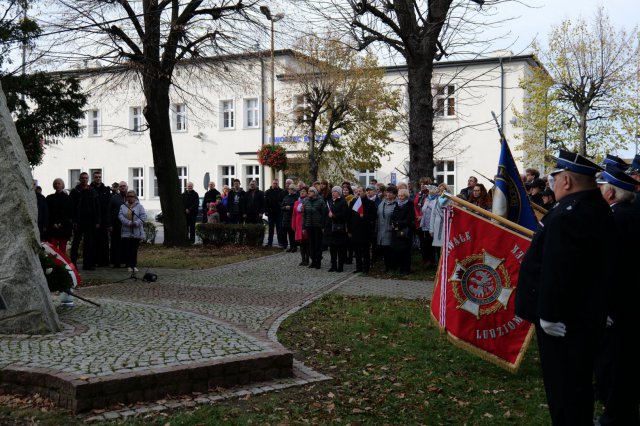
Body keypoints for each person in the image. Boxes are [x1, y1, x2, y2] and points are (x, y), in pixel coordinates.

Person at [515, 149, 614, 425]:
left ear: (567, 181)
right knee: (575, 385)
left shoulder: (571, 213)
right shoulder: (594, 207)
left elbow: (558, 269)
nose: (552, 184)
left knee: (565, 390)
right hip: (582, 314)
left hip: (564, 319)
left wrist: (547, 313)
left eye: (554, 178)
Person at [594, 165, 640, 425]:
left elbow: (609, 266)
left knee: (615, 364)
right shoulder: (629, 214)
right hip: (629, 301)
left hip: (618, 304)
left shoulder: (616, 219)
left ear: (610, 193)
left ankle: (616, 416)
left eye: (601, 187)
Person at [70, 172, 101, 270]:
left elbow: (97, 208)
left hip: (90, 221)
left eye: (86, 178)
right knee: (76, 243)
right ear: (79, 179)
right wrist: (72, 220)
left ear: (88, 179)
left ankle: (87, 264)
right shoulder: (75, 191)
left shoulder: (93, 191)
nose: (84, 180)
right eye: (82, 178)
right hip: (78, 221)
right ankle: (73, 263)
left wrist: (97, 221)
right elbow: (71, 207)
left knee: (89, 243)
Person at [348, 186, 376, 273]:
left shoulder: (370, 203)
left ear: (364, 192)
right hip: (355, 230)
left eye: (360, 191)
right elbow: (349, 217)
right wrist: (349, 230)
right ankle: (358, 268)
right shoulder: (353, 202)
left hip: (365, 231)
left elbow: (374, 216)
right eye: (357, 191)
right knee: (357, 251)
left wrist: (365, 216)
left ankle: (366, 268)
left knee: (365, 251)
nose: (358, 193)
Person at [118, 190, 146, 272]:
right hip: (126, 231)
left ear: (135, 197)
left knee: (134, 249)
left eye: (131, 196)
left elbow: (143, 216)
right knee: (127, 250)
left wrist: (136, 223)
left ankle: (134, 265)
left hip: (136, 231)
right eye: (128, 196)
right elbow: (120, 216)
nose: (130, 198)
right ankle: (129, 265)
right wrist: (129, 223)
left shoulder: (140, 206)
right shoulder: (123, 206)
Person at [390, 188, 415, 275]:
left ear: (406, 196)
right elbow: (393, 216)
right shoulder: (397, 204)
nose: (400, 197)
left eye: (402, 196)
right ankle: (399, 268)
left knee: (406, 251)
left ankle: (406, 269)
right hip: (396, 231)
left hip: (405, 231)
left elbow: (409, 219)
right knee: (397, 250)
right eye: (399, 196)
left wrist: (398, 223)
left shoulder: (409, 205)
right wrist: (393, 223)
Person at [90, 171, 112, 266]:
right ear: (93, 178)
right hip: (92, 219)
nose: (98, 178)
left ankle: (104, 261)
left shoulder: (106, 190)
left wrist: (108, 222)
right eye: (96, 177)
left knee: (104, 241)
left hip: (103, 219)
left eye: (99, 177)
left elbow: (108, 206)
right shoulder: (90, 189)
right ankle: (93, 260)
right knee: (93, 241)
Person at [324, 186, 349, 272]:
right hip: (330, 228)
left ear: (339, 193)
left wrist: (335, 216)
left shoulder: (343, 202)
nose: (333, 193)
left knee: (340, 249)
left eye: (335, 192)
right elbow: (325, 213)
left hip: (338, 229)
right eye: (332, 192)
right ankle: (333, 265)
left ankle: (340, 266)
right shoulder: (329, 201)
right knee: (332, 249)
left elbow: (345, 214)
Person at [45, 178, 73, 253]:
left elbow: (69, 213)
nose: (57, 185)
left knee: (62, 250)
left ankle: (62, 265)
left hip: (64, 227)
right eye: (55, 184)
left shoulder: (68, 198)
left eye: (59, 183)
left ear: (62, 185)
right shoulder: (49, 198)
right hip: (52, 227)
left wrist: (61, 223)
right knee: (52, 250)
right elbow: (48, 213)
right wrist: (53, 223)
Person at [303, 187, 326, 269]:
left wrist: (323, 225)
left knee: (317, 244)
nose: (308, 193)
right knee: (311, 244)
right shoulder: (306, 202)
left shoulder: (321, 201)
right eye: (308, 191)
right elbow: (304, 215)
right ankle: (313, 261)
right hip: (309, 226)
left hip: (318, 226)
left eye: (310, 191)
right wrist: (304, 227)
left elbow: (324, 215)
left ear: (315, 192)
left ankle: (318, 262)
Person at [376, 185, 398, 272]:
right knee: (384, 249)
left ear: (395, 194)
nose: (388, 194)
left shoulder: (396, 204)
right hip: (381, 229)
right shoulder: (382, 203)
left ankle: (393, 266)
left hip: (391, 230)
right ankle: (386, 266)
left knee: (391, 249)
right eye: (387, 192)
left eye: (390, 192)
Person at [106, 181, 128, 268]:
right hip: (116, 225)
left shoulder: (131, 197)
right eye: (121, 186)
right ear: (119, 188)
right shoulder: (114, 198)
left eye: (124, 186)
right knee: (115, 244)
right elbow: (108, 212)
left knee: (126, 244)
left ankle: (126, 261)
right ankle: (116, 262)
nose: (122, 187)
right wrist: (109, 225)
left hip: (128, 226)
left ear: (127, 187)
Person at [416, 182, 437, 266]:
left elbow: (435, 210)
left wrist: (429, 205)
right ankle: (426, 259)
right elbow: (423, 210)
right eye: (430, 189)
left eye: (433, 189)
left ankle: (432, 261)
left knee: (431, 243)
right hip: (425, 223)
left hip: (432, 224)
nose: (431, 191)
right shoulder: (427, 198)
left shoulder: (437, 198)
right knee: (424, 243)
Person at [429, 183, 450, 264]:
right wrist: (431, 229)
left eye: (442, 189)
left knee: (445, 247)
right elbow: (433, 215)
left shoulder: (448, 199)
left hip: (446, 225)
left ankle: (445, 264)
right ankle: (439, 265)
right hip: (437, 226)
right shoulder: (435, 200)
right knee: (437, 247)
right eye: (439, 189)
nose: (440, 191)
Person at [265, 179, 286, 247]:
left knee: (279, 228)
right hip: (270, 213)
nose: (275, 184)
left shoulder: (282, 191)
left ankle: (280, 242)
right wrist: (266, 211)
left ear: (278, 184)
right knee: (270, 228)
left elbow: (284, 201)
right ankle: (269, 242)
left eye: (276, 183)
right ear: (272, 183)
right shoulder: (267, 192)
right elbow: (266, 202)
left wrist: (280, 206)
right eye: (274, 183)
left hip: (279, 212)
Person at [292, 187, 309, 265]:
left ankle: (307, 259)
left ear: (307, 193)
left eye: (304, 191)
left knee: (306, 242)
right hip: (298, 224)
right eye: (301, 191)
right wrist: (293, 225)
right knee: (301, 243)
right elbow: (294, 215)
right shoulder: (296, 202)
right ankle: (303, 259)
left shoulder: (308, 201)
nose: (302, 192)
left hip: (305, 223)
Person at [281, 184, 299, 252]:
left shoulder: (297, 197)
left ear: (294, 190)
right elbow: (282, 206)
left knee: (292, 233)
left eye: (291, 189)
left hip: (292, 217)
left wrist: (290, 207)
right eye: (289, 189)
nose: (290, 190)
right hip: (285, 217)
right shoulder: (286, 197)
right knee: (285, 232)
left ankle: (294, 246)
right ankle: (289, 246)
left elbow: (297, 206)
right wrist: (285, 207)